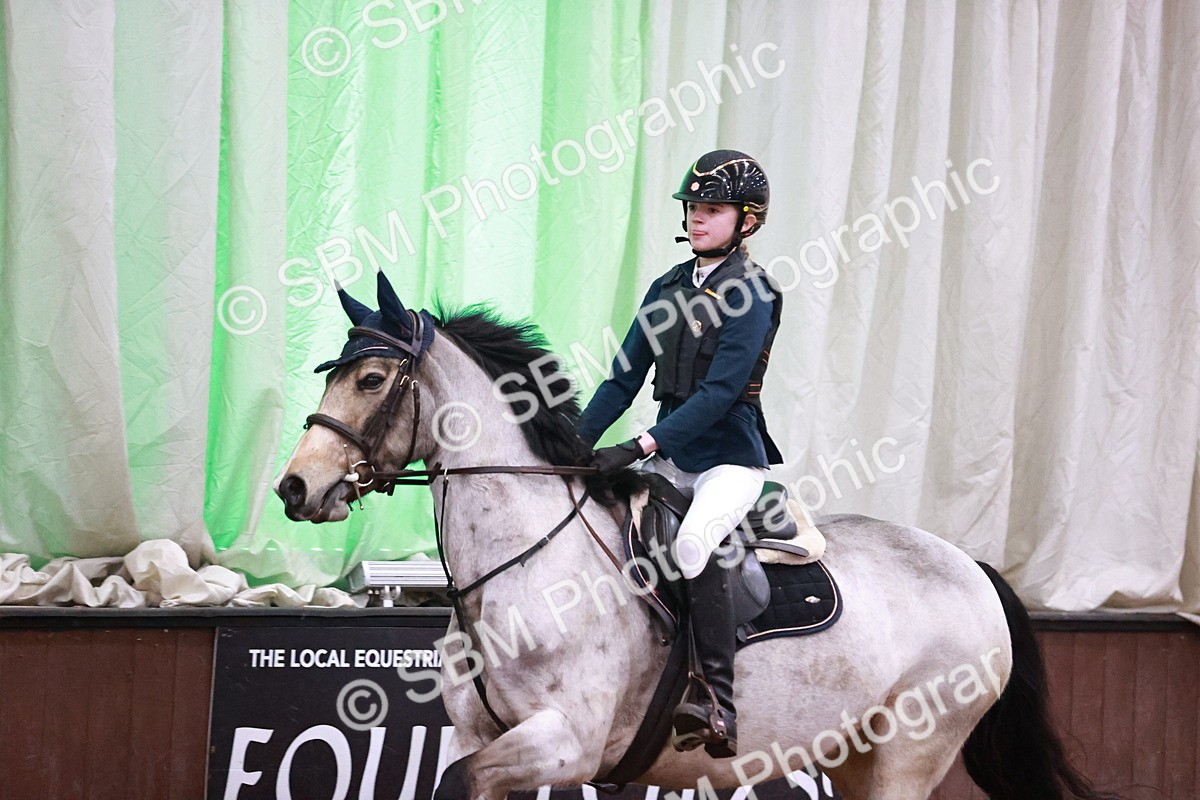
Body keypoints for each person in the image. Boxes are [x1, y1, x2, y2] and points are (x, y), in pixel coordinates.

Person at [575, 150, 783, 758]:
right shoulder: (668, 287)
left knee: (693, 545)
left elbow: (721, 394)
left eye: (711, 210)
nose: (696, 218)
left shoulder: (753, 292)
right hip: (670, 454)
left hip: (728, 460)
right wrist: (572, 447)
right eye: (693, 208)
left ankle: (716, 699)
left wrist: (639, 445)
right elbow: (621, 380)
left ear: (747, 220)